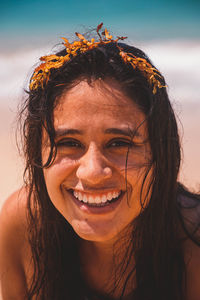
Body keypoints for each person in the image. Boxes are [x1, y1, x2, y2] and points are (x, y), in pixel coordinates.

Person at [0, 23, 200, 300]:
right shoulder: (22, 224)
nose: (93, 172)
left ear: (161, 153)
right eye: (69, 143)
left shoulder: (193, 241)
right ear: (37, 153)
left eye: (119, 143)